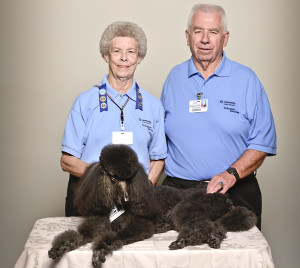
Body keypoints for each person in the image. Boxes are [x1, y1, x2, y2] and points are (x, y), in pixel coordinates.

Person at [160, 4, 276, 229]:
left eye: (213, 32)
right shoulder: (174, 78)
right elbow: (157, 139)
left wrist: (232, 173)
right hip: (178, 194)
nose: (205, 39)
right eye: (198, 31)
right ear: (187, 36)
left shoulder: (247, 80)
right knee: (177, 262)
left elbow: (263, 142)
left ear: (225, 37)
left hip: (234, 193)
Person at [61, 21, 167, 216]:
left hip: (135, 203)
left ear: (140, 57)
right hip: (89, 198)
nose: (124, 58)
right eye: (117, 51)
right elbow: (67, 161)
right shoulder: (85, 102)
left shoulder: (153, 106)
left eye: (131, 52)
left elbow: (158, 158)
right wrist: (107, 182)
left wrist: (142, 189)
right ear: (106, 55)